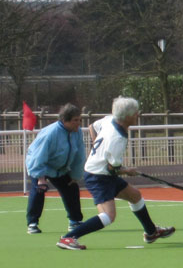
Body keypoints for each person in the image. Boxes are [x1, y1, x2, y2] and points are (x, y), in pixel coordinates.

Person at [57, 97, 175, 250]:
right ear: (126, 116)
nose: (137, 115)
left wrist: (99, 150)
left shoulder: (109, 120)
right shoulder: (117, 139)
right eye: (135, 113)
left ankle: (151, 232)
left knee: (135, 195)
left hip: (103, 173)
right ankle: (69, 238)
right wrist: (128, 171)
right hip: (98, 177)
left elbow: (93, 126)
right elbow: (114, 168)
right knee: (108, 217)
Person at [25, 103, 86, 234]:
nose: (79, 123)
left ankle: (75, 221)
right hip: (41, 165)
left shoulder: (77, 132)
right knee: (39, 190)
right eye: (75, 120)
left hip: (60, 168)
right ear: (65, 120)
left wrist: (75, 176)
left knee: (71, 188)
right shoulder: (50, 133)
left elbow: (79, 154)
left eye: (79, 120)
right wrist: (41, 178)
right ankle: (32, 223)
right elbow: (38, 156)